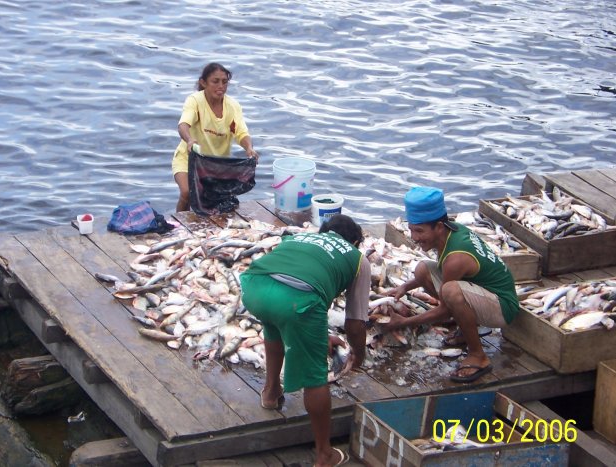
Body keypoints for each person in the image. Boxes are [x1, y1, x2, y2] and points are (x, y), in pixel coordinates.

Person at [240, 215, 369, 467]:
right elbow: (355, 323)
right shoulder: (357, 258)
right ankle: (325, 455)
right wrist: (359, 355)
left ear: (324, 231)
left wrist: (318, 333)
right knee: (314, 376)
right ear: (355, 241)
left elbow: (286, 276)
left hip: (254, 287)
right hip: (296, 301)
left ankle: (271, 392)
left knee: (274, 322)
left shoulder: (300, 236)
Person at [382, 186, 519, 383]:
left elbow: (445, 309)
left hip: (503, 307)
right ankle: (466, 328)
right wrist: (405, 287)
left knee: (451, 291)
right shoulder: (452, 231)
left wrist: (404, 323)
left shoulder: (456, 257)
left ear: (438, 226)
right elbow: (436, 275)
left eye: (419, 231)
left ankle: (478, 356)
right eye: (411, 229)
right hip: (482, 292)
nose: (414, 237)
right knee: (422, 269)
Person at [172, 62, 258, 212]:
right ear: (203, 83)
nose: (221, 86)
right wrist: (190, 140)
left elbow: (241, 133)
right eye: (215, 81)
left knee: (214, 205)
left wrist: (249, 148)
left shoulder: (233, 106)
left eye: (224, 82)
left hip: (216, 166)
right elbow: (183, 125)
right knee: (187, 192)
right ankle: (180, 225)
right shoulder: (195, 101)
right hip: (188, 159)